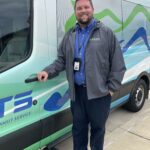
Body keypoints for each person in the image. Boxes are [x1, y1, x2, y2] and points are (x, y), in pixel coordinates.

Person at [37, 0, 126, 149]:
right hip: (77, 94)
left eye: (86, 7)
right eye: (79, 8)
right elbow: (61, 60)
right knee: (78, 130)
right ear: (75, 11)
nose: (83, 11)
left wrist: (111, 89)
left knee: (98, 131)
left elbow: (118, 64)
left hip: (99, 95)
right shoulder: (70, 35)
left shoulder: (106, 33)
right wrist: (47, 71)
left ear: (92, 9)